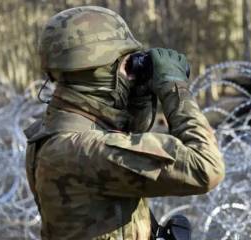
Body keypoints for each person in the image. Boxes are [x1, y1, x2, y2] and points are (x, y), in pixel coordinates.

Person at [24, 6, 224, 240]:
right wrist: (174, 87)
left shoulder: (57, 127)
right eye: (126, 65)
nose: (132, 73)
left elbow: (128, 136)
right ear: (100, 72)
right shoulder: (82, 149)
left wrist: (137, 95)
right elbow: (205, 167)